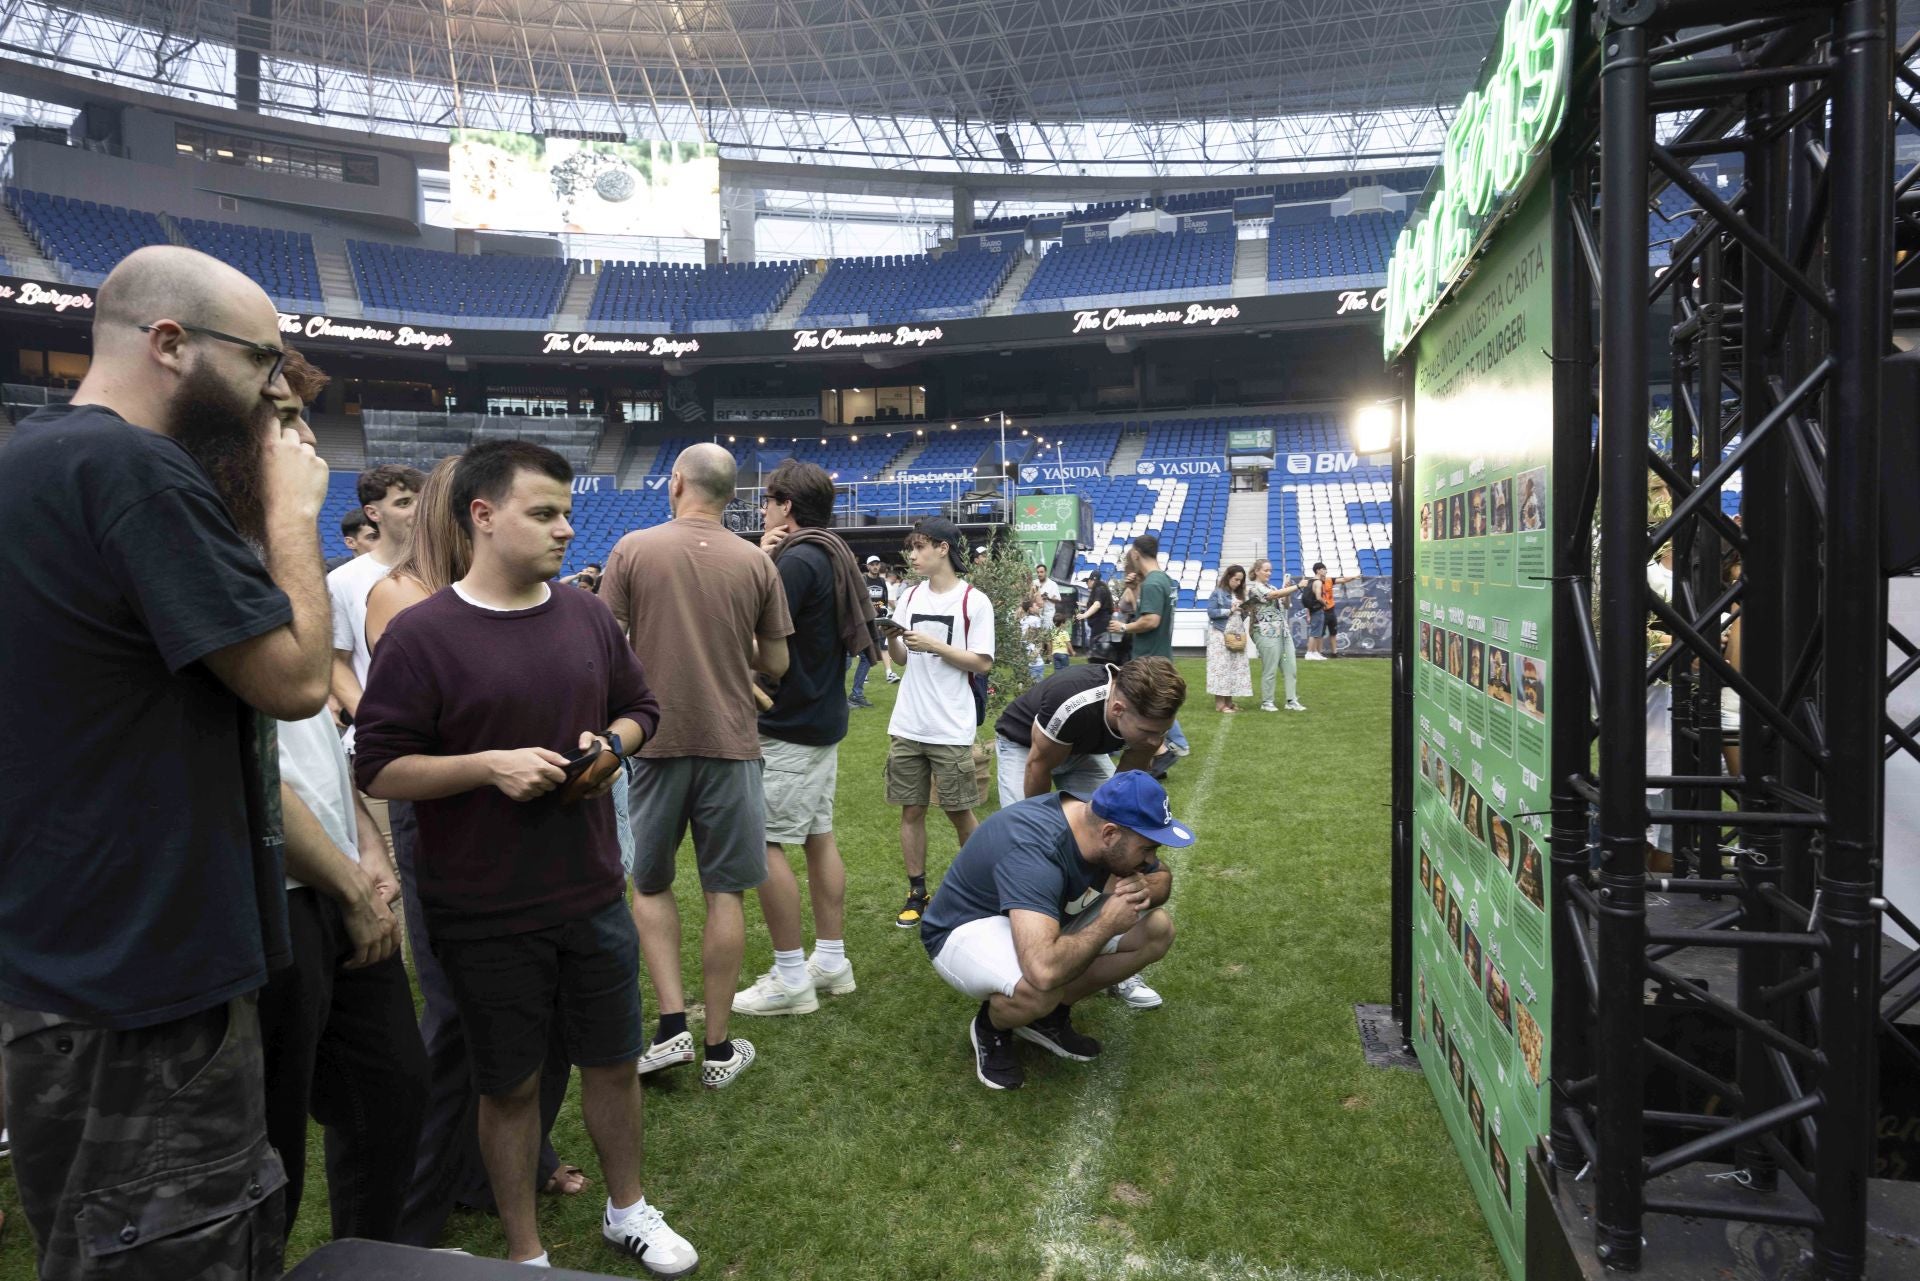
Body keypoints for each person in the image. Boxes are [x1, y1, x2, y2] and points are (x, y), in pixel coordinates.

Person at [0, 244, 333, 1278]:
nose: (275, 393)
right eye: (263, 362)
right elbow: (294, 680)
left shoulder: (29, 462)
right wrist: (291, 514)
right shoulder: (135, 469)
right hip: (149, 971)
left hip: (60, 954)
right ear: (170, 343)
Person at [355, 440, 695, 1273]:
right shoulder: (421, 634)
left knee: (612, 1060)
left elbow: (641, 706)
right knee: (508, 1084)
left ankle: (627, 1208)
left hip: (589, 889)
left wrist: (611, 745)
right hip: (483, 904)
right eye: (544, 513)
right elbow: (378, 764)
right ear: (483, 515)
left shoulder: (583, 616)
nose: (565, 529)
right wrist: (488, 766)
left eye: (568, 512)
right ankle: (525, 1252)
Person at [364, 455, 591, 1242]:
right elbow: (390, 744)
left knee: (537, 1009)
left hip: (537, 838)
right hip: (450, 827)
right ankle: (419, 1203)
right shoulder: (404, 599)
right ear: (473, 515)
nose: (551, 526)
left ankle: (509, 1161)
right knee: (466, 1017)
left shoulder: (531, 600)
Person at [257, 347, 428, 1252]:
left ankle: (372, 1260)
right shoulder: (212, 552)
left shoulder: (271, 555)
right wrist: (348, 880)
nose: (304, 440)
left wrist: (364, 845)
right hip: (271, 893)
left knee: (391, 1093)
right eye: (280, 416)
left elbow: (315, 733)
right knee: (264, 1150)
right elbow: (248, 754)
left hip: (336, 872)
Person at [602, 442, 792, 1089]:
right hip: (731, 742)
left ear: (676, 482)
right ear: (733, 494)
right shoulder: (754, 561)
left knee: (649, 884)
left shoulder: (632, 549)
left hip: (652, 739)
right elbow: (779, 664)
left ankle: (669, 1026)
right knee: (725, 890)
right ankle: (716, 1047)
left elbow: (604, 644)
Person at [920, 771, 1187, 1090]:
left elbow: (1163, 880)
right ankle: (991, 1028)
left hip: (1036, 919)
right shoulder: (1036, 849)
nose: (1151, 860)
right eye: (1147, 849)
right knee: (1038, 987)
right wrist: (1107, 923)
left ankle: (1047, 1019)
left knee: (1156, 929)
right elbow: (1044, 970)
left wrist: (1142, 888)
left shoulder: (1100, 830)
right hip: (962, 927)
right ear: (1110, 834)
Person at [731, 461, 875, 1017]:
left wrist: (764, 561)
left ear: (786, 505)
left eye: (768, 500)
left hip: (787, 722)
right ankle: (831, 960)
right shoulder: (830, 549)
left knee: (764, 844)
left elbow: (753, 637)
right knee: (818, 834)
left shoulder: (796, 560)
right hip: (820, 715)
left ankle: (792, 976)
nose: (763, 508)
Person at [884, 516, 995, 929]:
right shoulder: (909, 597)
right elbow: (900, 659)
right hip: (908, 722)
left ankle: (981, 888)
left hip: (951, 725)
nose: (912, 555)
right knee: (911, 810)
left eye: (919, 547)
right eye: (911, 548)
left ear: (943, 549)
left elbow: (982, 662)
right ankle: (917, 891)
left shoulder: (973, 601)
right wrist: (894, 636)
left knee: (959, 810)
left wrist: (933, 644)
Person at [327, 462, 425, 736]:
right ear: (373, 512)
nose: (418, 511)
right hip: (385, 741)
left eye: (422, 501)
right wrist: (369, 718)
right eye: (404, 503)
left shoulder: (456, 568)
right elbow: (336, 660)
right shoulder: (344, 580)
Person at [1113, 534, 1188, 765]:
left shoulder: (1153, 583)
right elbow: (1142, 610)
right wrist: (1135, 589)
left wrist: (1123, 626)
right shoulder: (1161, 580)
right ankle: (1170, 744)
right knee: (1156, 702)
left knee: (1151, 702)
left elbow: (1150, 620)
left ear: (1136, 553)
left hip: (1150, 654)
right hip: (1158, 651)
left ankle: (1175, 745)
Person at [1247, 559, 1305, 712]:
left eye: (1270, 570)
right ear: (1257, 571)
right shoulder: (1255, 589)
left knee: (1290, 666)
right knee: (1270, 667)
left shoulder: (1272, 587)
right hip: (1265, 633)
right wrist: (1297, 586)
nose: (1269, 573)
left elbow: (1285, 604)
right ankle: (1267, 702)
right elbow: (1273, 596)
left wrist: (1287, 592)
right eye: (1266, 570)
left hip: (1282, 633)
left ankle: (1291, 700)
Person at [1205, 564, 1252, 712]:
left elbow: (1241, 615)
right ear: (1228, 577)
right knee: (1221, 667)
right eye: (1236, 579)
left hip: (1236, 633)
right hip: (1220, 634)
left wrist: (1246, 609)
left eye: (1240, 581)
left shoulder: (1239, 595)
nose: (1238, 583)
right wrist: (1230, 609)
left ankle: (1229, 703)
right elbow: (1211, 612)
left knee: (1234, 667)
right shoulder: (1217, 593)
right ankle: (1220, 704)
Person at [849, 554, 893, 706]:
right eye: (872, 564)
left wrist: (883, 611)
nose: (875, 566)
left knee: (868, 657)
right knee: (850, 660)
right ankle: (853, 694)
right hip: (862, 623)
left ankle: (855, 694)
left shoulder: (882, 581)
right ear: (867, 566)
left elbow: (885, 600)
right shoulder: (862, 580)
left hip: (875, 623)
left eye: (877, 564)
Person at [1303, 562, 1360, 660]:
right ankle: (1315, 652)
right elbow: (1312, 598)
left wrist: (1354, 577)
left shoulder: (1329, 580)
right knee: (1317, 633)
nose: (1326, 571)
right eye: (1324, 569)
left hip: (1329, 610)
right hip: (1319, 608)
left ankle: (1331, 653)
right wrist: (1309, 613)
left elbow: (1343, 579)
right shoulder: (1315, 582)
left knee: (1330, 632)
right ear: (1318, 570)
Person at [1076, 569, 1114, 657]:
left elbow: (1097, 605)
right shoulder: (1102, 588)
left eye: (1087, 581)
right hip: (1101, 623)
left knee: (1096, 648)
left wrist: (1084, 615)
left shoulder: (1098, 589)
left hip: (1100, 624)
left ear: (1092, 580)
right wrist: (1084, 604)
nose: (1086, 584)